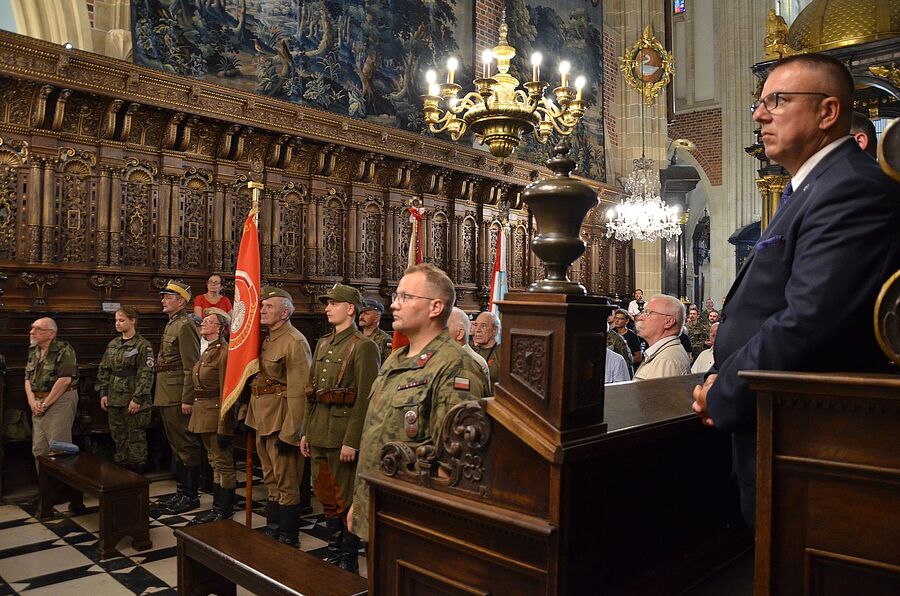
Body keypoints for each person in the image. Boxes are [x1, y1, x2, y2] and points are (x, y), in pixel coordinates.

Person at [692, 53, 900, 530]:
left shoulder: (849, 188)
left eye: (777, 101)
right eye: (759, 104)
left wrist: (723, 392)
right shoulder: (812, 188)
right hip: (777, 421)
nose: (760, 115)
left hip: (810, 430)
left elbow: (811, 320)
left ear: (827, 113)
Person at [349, 264, 487, 542]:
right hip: (377, 501)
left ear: (435, 307)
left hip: (412, 518)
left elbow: (454, 464)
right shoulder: (395, 359)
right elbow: (376, 433)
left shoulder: (455, 366)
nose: (394, 304)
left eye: (405, 297)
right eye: (396, 296)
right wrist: (360, 502)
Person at [300, 284, 379, 571]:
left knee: (345, 498)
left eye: (334, 303)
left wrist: (353, 440)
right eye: (327, 304)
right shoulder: (323, 343)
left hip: (342, 435)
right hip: (320, 432)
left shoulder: (363, 346)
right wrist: (307, 431)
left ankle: (347, 558)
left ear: (350, 309)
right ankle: (335, 551)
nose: (327, 308)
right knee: (326, 497)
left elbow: (365, 398)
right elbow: (312, 392)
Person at [246, 286, 312, 547]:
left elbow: (300, 391)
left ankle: (288, 536)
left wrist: (291, 432)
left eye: (268, 306)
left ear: (284, 312)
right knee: (271, 478)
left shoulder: (294, 341)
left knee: (287, 482)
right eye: (262, 306)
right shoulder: (268, 338)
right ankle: (274, 529)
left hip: (282, 419)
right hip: (262, 417)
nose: (262, 310)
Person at [155, 280, 202, 514]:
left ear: (181, 301)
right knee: (176, 444)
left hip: (176, 394)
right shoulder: (173, 323)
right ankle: (182, 492)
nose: (163, 300)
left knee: (185, 444)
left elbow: (191, 365)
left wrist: (187, 398)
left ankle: (190, 495)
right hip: (166, 391)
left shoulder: (185, 325)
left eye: (167, 297)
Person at [187, 309, 235, 525]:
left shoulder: (224, 352)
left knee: (222, 462)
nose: (203, 323)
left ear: (220, 327)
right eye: (204, 320)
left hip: (216, 413)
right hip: (203, 411)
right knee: (214, 460)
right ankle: (217, 506)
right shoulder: (208, 351)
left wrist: (225, 425)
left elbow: (228, 390)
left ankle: (223, 508)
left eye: (209, 321)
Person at [96, 307, 154, 473]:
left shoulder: (143, 345)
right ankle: (122, 474)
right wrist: (103, 393)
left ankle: (137, 474)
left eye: (121, 320)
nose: (117, 324)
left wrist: (137, 398)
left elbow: (146, 374)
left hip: (133, 397)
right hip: (114, 396)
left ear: (132, 320)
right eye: (116, 320)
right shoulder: (113, 344)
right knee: (118, 436)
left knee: (135, 437)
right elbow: (105, 369)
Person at [25, 318, 78, 462]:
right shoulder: (33, 349)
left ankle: (60, 485)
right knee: (39, 449)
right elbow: (27, 378)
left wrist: (46, 404)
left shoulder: (64, 349)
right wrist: (31, 401)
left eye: (38, 329)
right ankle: (44, 484)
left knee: (58, 448)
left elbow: (65, 380)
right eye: (32, 327)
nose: (32, 332)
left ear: (51, 334)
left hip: (60, 400)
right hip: (38, 401)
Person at [633, 295, 691, 380]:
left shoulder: (665, 361)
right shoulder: (664, 355)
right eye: (643, 312)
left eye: (648, 313)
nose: (640, 317)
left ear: (668, 322)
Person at [448, 307, 491, 391]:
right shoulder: (442, 356)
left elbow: (468, 402)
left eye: (444, 328)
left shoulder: (472, 362)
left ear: (460, 334)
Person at [472, 310, 501, 386]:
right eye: (476, 325)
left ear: (495, 330)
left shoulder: (502, 353)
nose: (477, 330)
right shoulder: (471, 350)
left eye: (483, 325)